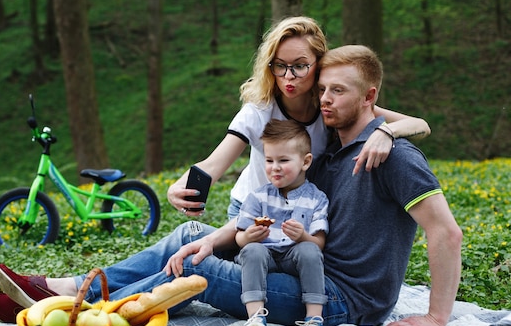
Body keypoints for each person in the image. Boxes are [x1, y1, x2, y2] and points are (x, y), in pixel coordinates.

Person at [0, 44, 462, 326]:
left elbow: (446, 232)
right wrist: (215, 236)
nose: (324, 100)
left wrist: (437, 319)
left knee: (200, 271)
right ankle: (66, 290)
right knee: (193, 235)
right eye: (322, 90)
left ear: (371, 98)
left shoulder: (393, 155)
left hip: (343, 300)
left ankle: (84, 317)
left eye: (338, 91)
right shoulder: (330, 151)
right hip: (298, 264)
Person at [166, 16, 431, 219]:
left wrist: (386, 132)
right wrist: (177, 187)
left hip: (303, 214)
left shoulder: (330, 106)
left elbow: (420, 126)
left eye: (300, 66)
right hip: (251, 210)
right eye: (280, 65)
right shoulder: (259, 110)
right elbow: (214, 164)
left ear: (319, 64)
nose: (289, 76)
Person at [235, 119, 329, 326]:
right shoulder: (258, 197)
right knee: (251, 250)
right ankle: (256, 318)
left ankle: (314, 318)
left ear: (305, 162)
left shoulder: (316, 198)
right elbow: (239, 237)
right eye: (269, 160)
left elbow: (320, 243)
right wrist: (248, 236)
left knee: (310, 250)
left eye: (283, 160)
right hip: (265, 255)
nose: (274, 167)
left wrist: (303, 236)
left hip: (293, 257)